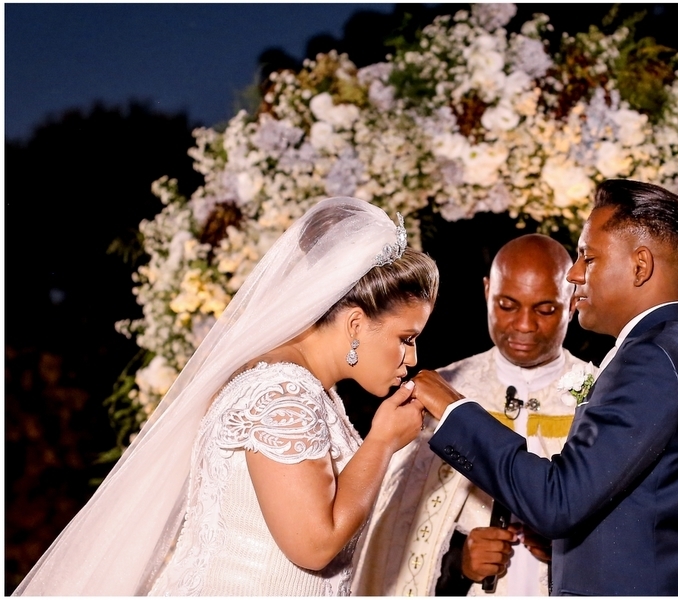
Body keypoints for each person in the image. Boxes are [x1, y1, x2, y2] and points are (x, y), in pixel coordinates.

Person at [13, 197, 439, 596]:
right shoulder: (283, 394)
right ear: (355, 324)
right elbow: (313, 544)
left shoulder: (305, 388)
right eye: (406, 337)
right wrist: (381, 442)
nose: (412, 356)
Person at [413, 179, 678, 596]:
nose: (575, 273)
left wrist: (454, 408)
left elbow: (558, 502)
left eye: (589, 257)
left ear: (640, 265)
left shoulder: (650, 358)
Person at [353, 234, 593, 596]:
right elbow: (392, 536)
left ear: (572, 301)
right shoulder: (440, 392)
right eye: (507, 305)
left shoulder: (598, 395)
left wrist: (568, 548)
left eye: (545, 310)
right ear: (486, 291)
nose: (524, 325)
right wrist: (458, 562)